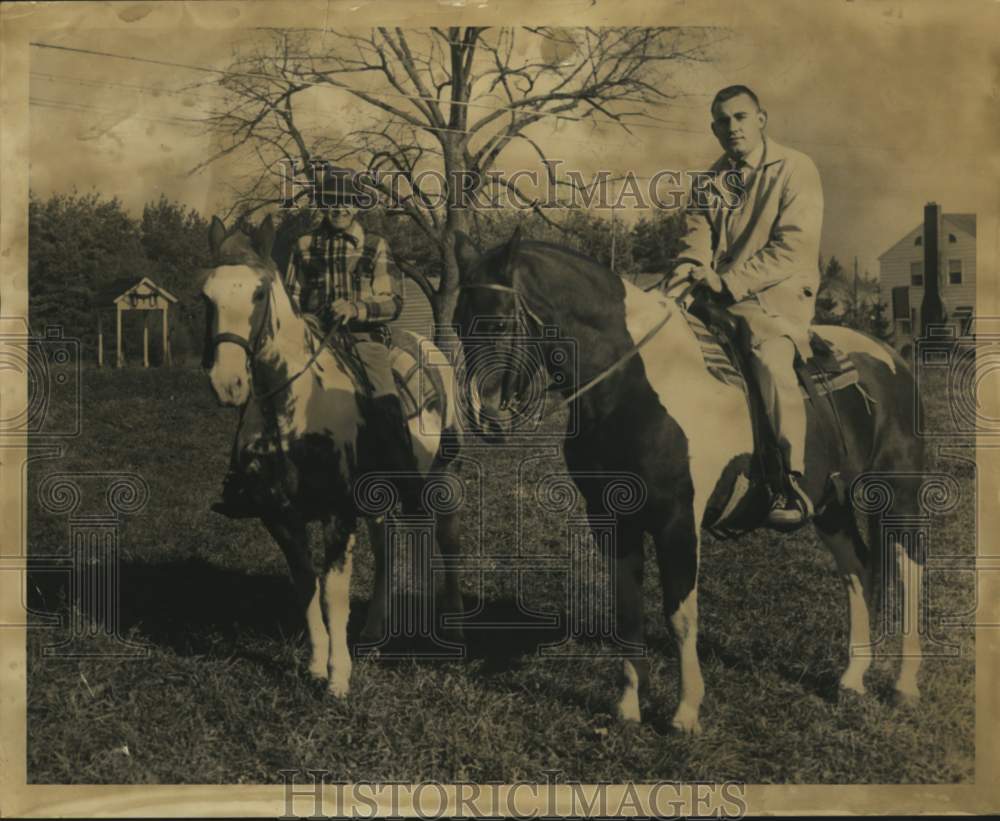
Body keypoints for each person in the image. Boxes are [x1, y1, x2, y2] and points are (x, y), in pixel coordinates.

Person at [213, 166, 419, 518]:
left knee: (384, 395)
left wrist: (356, 307)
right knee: (262, 390)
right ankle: (240, 480)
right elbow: (291, 297)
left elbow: (392, 302)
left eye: (346, 203)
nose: (338, 209)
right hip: (310, 335)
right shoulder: (305, 245)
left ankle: (405, 480)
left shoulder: (374, 246)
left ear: (357, 206)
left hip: (360, 337)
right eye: (330, 202)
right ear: (323, 206)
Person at [670, 85, 824, 527]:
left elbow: (793, 248)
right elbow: (694, 241)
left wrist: (728, 281)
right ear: (713, 128)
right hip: (720, 295)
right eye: (722, 120)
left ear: (761, 119)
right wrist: (687, 272)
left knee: (769, 357)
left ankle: (788, 479)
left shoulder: (796, 169)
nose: (732, 126)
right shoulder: (709, 181)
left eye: (740, 116)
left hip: (777, 295)